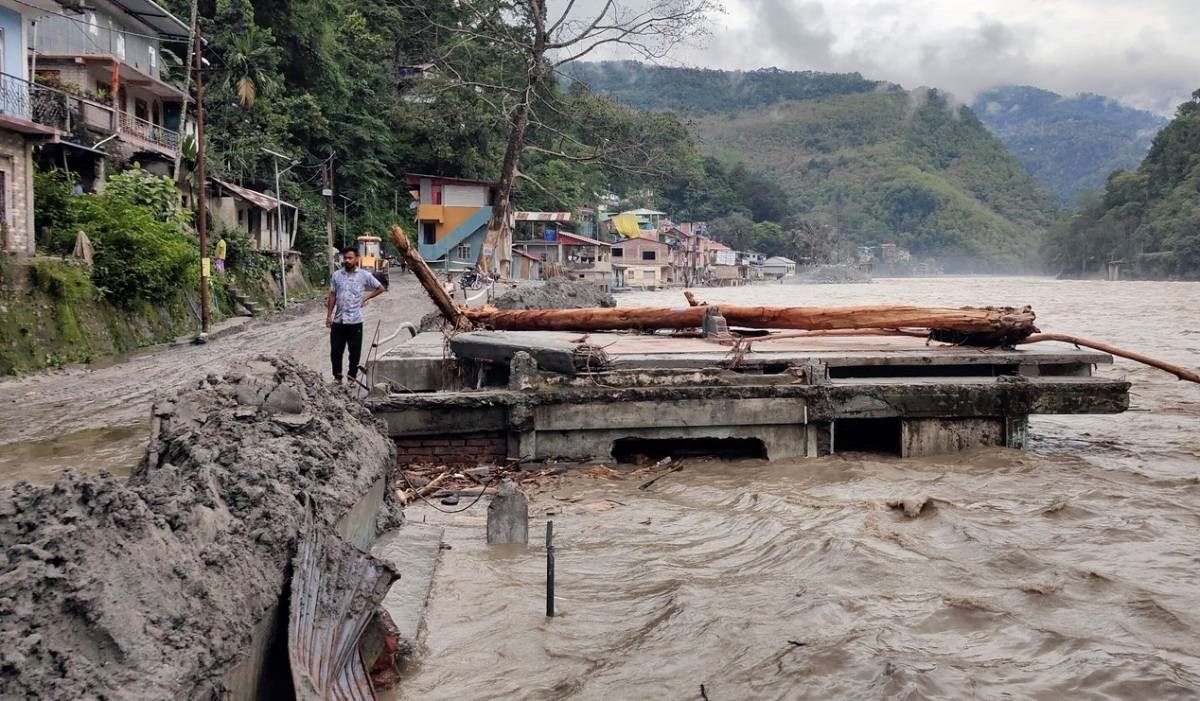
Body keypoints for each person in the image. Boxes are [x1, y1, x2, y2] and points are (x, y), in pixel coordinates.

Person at [326, 246, 385, 385]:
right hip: (339, 321)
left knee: (354, 352)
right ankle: (337, 377)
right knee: (336, 351)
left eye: (350, 258)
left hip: (355, 321)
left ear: (357, 259)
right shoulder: (336, 275)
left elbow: (380, 288)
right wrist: (329, 316)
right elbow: (332, 295)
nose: (347, 260)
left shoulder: (364, 275)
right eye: (345, 258)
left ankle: (351, 377)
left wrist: (366, 298)